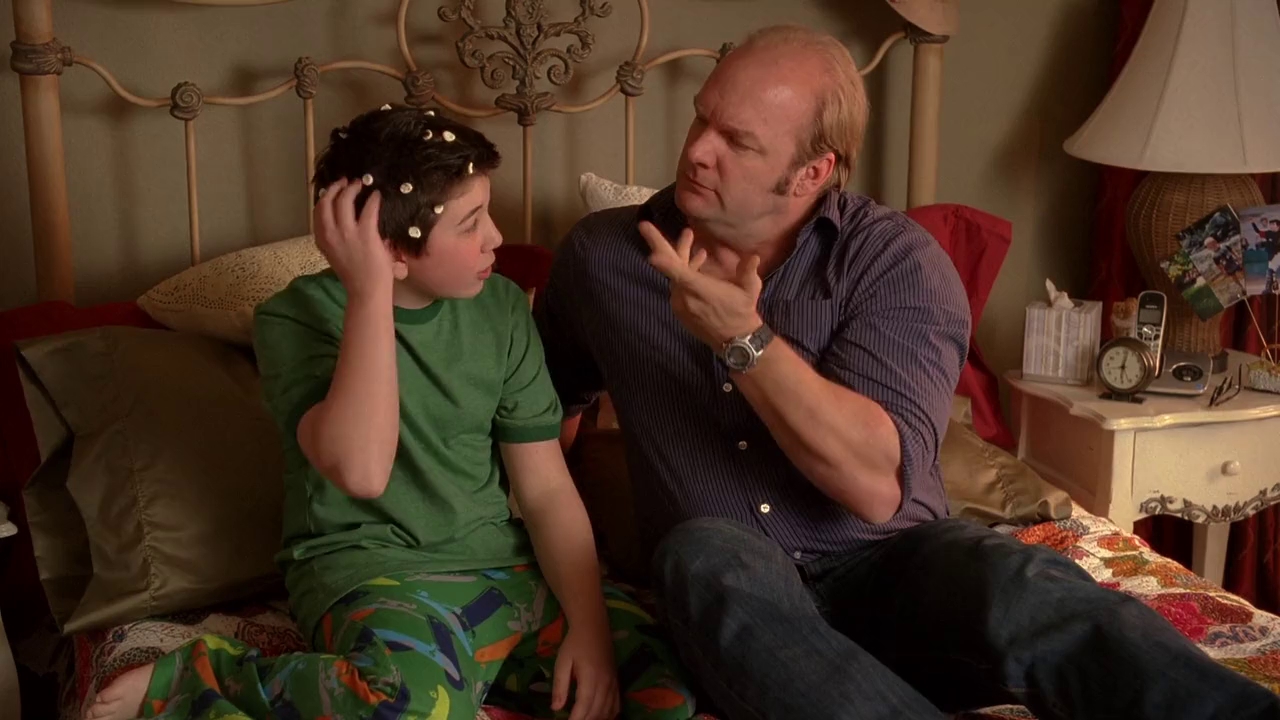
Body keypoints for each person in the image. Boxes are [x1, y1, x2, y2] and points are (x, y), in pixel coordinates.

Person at [534, 24, 1280, 720]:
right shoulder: (603, 258)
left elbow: (874, 486)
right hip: (735, 590)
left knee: (1021, 584)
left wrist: (743, 339)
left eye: (737, 141)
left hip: (891, 567)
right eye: (702, 118)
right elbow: (541, 421)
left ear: (812, 172)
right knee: (702, 553)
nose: (698, 150)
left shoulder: (896, 263)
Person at [85, 106, 695, 720]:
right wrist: (371, 291)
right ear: (391, 247)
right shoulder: (296, 318)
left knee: (671, 693)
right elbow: (362, 471)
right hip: (376, 574)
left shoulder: (504, 308)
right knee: (407, 706)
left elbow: (545, 489)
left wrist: (589, 632)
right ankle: (207, 675)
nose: (495, 238)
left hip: (506, 570)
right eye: (470, 223)